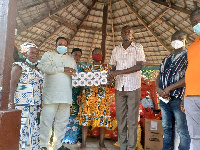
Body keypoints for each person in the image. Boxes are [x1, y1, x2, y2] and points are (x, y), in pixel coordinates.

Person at [109, 25, 146, 150]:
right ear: (121, 34)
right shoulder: (116, 49)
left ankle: (131, 147)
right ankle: (123, 146)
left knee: (133, 119)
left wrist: (118, 73)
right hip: (119, 87)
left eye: (129, 32)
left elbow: (138, 67)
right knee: (120, 118)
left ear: (132, 34)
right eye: (124, 32)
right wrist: (110, 77)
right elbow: (113, 67)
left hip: (133, 86)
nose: (126, 33)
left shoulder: (138, 47)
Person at [39, 37, 77, 150]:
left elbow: (75, 75)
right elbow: (44, 67)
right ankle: (43, 144)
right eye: (60, 44)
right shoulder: (48, 55)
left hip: (66, 95)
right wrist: (63, 69)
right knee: (46, 120)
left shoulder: (71, 59)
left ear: (67, 46)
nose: (62, 46)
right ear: (56, 45)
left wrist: (75, 75)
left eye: (65, 44)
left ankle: (57, 145)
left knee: (62, 122)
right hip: (51, 94)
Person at [156, 31, 190, 150]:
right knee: (166, 129)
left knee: (182, 131)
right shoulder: (166, 59)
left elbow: (188, 78)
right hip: (164, 100)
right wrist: (158, 89)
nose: (177, 40)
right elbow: (159, 75)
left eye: (180, 38)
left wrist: (169, 88)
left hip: (179, 99)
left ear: (186, 40)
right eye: (174, 38)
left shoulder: (188, 56)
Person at [9, 42, 43, 150]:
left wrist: (40, 102)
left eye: (37, 53)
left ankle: (31, 148)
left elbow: (39, 87)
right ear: (24, 55)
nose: (35, 55)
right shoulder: (19, 66)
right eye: (32, 53)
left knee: (32, 127)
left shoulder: (38, 70)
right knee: (22, 128)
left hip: (33, 105)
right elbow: (12, 83)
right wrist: (11, 102)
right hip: (21, 103)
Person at [77, 48, 112, 150]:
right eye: (95, 53)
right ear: (92, 55)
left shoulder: (107, 68)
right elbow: (82, 83)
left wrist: (109, 82)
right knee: (86, 120)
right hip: (88, 97)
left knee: (102, 120)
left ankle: (101, 142)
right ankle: (84, 143)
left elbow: (112, 82)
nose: (97, 55)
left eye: (99, 53)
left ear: (102, 55)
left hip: (102, 98)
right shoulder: (87, 69)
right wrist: (79, 95)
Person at [183, 7, 200, 150]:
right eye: (195, 23)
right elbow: (191, 71)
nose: (197, 24)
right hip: (190, 97)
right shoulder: (192, 46)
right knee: (194, 136)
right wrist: (184, 96)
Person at [62, 48, 84, 145]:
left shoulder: (82, 68)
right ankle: (62, 137)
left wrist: (80, 95)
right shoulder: (65, 67)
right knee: (64, 115)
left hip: (76, 96)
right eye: (75, 54)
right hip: (65, 94)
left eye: (79, 56)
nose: (77, 57)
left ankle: (73, 137)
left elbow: (84, 84)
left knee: (74, 116)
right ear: (71, 55)